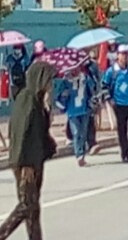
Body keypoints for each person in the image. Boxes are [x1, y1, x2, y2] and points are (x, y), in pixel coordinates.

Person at [0, 62, 57, 240]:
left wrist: (47, 112)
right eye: (48, 80)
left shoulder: (38, 101)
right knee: (26, 205)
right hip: (26, 162)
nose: (50, 84)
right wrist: (25, 163)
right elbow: (20, 132)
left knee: (33, 208)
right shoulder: (26, 98)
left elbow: (40, 133)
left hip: (35, 160)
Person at [102, 47, 128, 162]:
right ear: (118, 55)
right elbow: (105, 85)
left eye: (126, 54)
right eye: (122, 54)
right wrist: (109, 99)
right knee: (122, 129)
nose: (124, 56)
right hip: (119, 103)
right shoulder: (112, 71)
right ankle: (124, 152)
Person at [56, 69, 97, 167]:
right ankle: (79, 155)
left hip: (84, 109)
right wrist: (64, 97)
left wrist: (93, 103)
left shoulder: (85, 78)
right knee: (76, 132)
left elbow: (92, 91)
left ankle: (82, 153)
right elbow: (59, 97)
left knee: (83, 132)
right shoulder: (65, 82)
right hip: (72, 111)